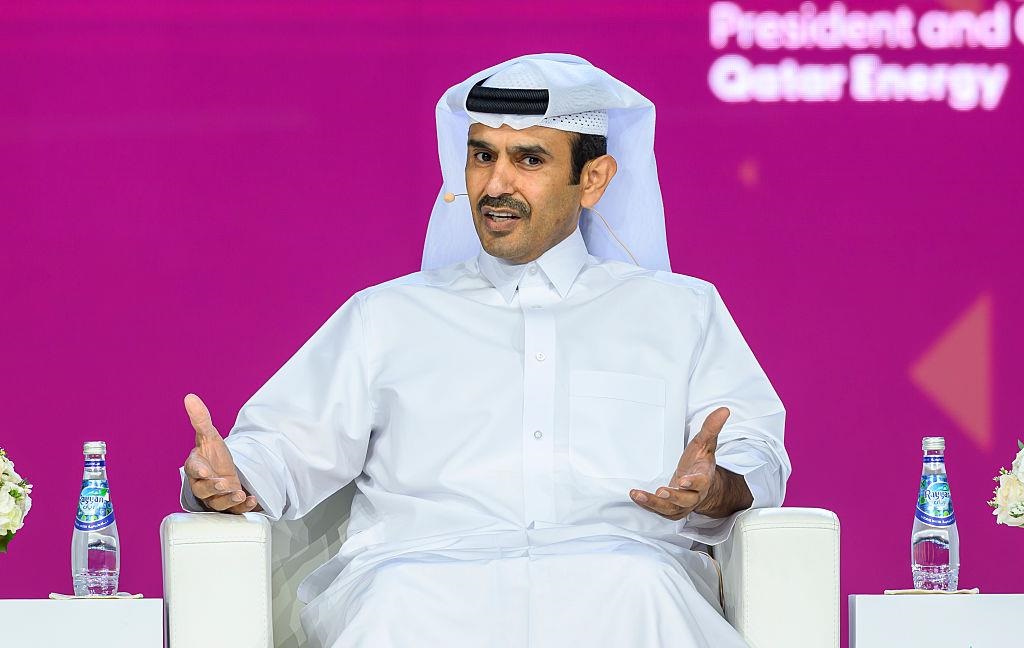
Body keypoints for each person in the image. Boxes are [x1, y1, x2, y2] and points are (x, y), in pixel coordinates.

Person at [180, 53, 791, 647]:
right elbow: (280, 444)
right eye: (482, 156)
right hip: (419, 583)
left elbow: (754, 447)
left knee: (643, 587)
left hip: (621, 579)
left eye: (529, 159)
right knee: (394, 602)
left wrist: (719, 488)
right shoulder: (385, 316)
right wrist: (232, 477)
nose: (496, 185)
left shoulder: (681, 312)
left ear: (593, 179)